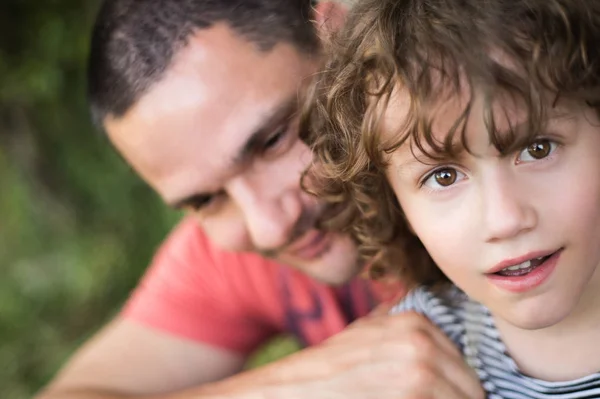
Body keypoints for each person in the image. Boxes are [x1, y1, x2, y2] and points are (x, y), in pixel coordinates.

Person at [36, 1, 484, 399]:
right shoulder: (229, 254)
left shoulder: (503, 163)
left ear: (338, 35)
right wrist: (301, 385)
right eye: (207, 199)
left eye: (272, 140)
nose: (270, 226)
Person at [305, 0, 600, 397]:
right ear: (397, 205)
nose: (504, 219)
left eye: (537, 149)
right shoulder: (411, 365)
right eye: (443, 177)